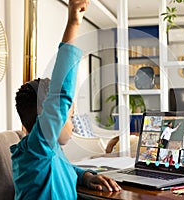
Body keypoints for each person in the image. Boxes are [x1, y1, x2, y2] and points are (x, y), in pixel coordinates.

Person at [11, 1, 121, 199]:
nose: (72, 125)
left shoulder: (46, 150)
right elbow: (60, 97)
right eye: (68, 117)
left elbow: (64, 167)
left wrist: (85, 176)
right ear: (47, 121)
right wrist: (73, 23)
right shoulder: (38, 149)